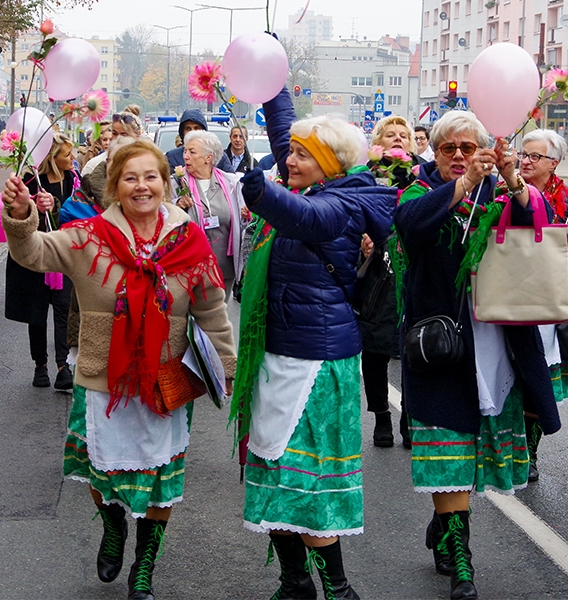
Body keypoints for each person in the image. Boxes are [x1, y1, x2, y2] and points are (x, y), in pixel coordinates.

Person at [1, 139, 237, 600]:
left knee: (161, 482)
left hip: (166, 382)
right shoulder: (88, 238)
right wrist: (20, 213)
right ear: (115, 187)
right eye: (130, 177)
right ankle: (112, 525)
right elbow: (31, 252)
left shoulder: (188, 241)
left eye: (151, 176)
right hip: (101, 380)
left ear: (165, 184)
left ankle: (143, 569)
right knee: (99, 472)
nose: (141, 186)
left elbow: (211, 308)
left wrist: (225, 364)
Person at [233, 84, 395, 599]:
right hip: (279, 354)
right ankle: (295, 581)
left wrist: (258, 189)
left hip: (317, 365)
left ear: (326, 163)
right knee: (274, 471)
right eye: (291, 153)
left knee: (309, 485)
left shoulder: (340, 204)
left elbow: (305, 220)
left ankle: (340, 590)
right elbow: (286, 138)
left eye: (303, 155)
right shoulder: (312, 184)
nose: (290, 159)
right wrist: (272, 85)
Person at [395, 111, 558, 599]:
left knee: (468, 452)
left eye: (471, 149)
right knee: (447, 446)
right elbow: (412, 226)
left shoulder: (499, 190)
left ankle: (445, 526)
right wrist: (464, 183)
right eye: (451, 149)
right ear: (436, 152)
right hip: (441, 345)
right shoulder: (417, 190)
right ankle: (462, 560)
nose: (462, 157)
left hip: (495, 341)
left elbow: (538, 230)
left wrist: (511, 178)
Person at [519, 129, 568, 481]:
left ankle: (530, 451)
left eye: (536, 156)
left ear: (554, 163)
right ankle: (506, 448)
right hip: (508, 298)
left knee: (538, 384)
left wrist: (555, 258)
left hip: (547, 304)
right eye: (524, 154)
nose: (526, 161)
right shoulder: (503, 192)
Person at [4, 133, 78, 390]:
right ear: (52, 157)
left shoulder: (71, 179)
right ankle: (40, 366)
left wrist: (55, 204)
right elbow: (16, 211)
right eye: (67, 154)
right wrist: (33, 207)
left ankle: (62, 365)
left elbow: (74, 209)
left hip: (62, 254)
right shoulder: (30, 180)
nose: (72, 158)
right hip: (35, 256)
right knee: (37, 313)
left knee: (62, 310)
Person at [362, 115, 418, 448]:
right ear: (378, 143)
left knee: (413, 349)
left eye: (403, 135)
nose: (397, 139)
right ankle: (381, 414)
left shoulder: (420, 177)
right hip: (377, 274)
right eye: (390, 135)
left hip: (412, 271)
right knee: (375, 347)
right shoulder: (368, 178)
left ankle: (409, 415)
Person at [175, 129, 248, 301]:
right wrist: (177, 205)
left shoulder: (231, 183)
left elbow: (241, 221)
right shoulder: (175, 183)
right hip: (189, 268)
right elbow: (163, 216)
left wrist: (247, 214)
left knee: (219, 318)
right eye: (185, 151)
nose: (185, 156)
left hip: (224, 267)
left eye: (192, 152)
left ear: (209, 157)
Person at [82, 110, 142, 177]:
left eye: (124, 134)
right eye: (114, 133)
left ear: (138, 135)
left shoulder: (148, 161)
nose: (118, 138)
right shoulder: (93, 165)